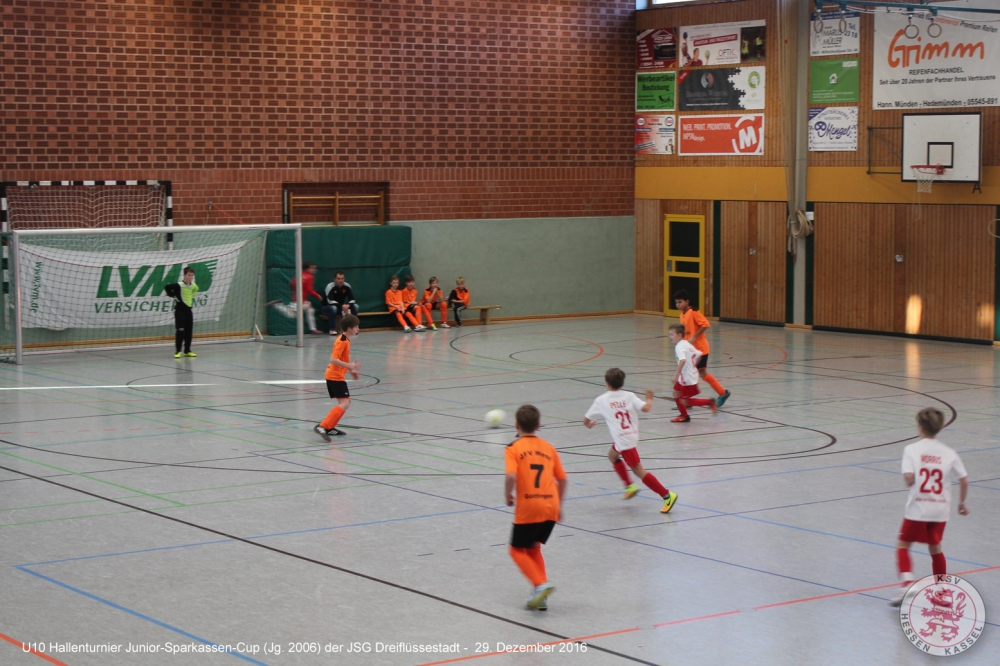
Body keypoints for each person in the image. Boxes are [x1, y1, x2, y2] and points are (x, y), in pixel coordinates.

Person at [889, 408, 970, 606]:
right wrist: (961, 503)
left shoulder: (911, 449)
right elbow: (964, 479)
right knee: (935, 548)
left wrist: (910, 480)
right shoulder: (949, 452)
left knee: (903, 545)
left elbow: (909, 477)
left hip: (919, 508)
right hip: (940, 510)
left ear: (920, 428)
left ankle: (907, 583)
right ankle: (942, 592)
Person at [584, 368, 678, 513]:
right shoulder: (629, 395)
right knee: (612, 456)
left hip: (624, 441)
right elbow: (646, 408)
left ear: (607, 384)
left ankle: (666, 495)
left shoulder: (601, 400)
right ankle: (629, 486)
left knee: (639, 471)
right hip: (630, 436)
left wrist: (590, 424)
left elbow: (586, 420)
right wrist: (649, 398)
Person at [505, 405, 567, 611]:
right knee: (533, 547)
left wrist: (507, 495)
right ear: (538, 425)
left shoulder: (513, 448)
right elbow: (563, 479)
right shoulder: (549, 447)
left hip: (529, 506)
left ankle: (541, 584)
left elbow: (511, 475)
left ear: (516, 425)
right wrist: (560, 506)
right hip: (551, 505)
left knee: (516, 550)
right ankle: (541, 595)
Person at [674, 290, 730, 407]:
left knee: (698, 374)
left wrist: (694, 336)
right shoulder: (682, 315)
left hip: (700, 350)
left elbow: (705, 324)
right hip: (691, 351)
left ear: (687, 302)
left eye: (680, 302)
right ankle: (687, 399)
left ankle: (722, 393)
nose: (678, 304)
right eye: (677, 302)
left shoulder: (694, 312)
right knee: (691, 374)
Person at [314, 314, 361, 441]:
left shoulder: (345, 339)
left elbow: (342, 359)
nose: (358, 329)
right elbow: (333, 359)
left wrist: (351, 370)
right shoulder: (342, 341)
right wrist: (350, 365)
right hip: (334, 376)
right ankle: (323, 426)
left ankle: (329, 428)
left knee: (346, 402)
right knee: (345, 403)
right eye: (356, 327)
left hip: (335, 376)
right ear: (349, 328)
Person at [669, 323, 717, 422]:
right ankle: (684, 415)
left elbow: (682, 360)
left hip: (686, 378)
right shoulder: (687, 343)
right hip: (689, 375)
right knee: (676, 393)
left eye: (672, 334)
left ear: (679, 335)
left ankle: (709, 402)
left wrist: (676, 375)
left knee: (685, 401)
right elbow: (699, 355)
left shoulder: (679, 347)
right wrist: (692, 367)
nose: (670, 337)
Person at [271, 262, 323, 334]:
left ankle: (313, 329)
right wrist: (317, 295)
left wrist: (297, 291)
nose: (314, 270)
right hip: (300, 300)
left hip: (298, 298)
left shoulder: (299, 275)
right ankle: (277, 304)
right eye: (312, 268)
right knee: (291, 314)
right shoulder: (310, 277)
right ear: (307, 269)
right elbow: (309, 289)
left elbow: (291, 283)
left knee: (310, 310)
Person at [164, 266, 198, 359]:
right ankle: (178, 351)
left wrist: (191, 296)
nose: (190, 277)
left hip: (188, 311)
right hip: (179, 311)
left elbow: (195, 289)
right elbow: (167, 287)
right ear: (184, 275)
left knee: (189, 331)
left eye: (192, 275)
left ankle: (187, 351)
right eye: (189, 275)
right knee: (180, 331)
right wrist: (172, 295)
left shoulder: (193, 285)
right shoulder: (179, 285)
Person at [323, 271, 358, 335]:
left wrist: (348, 305)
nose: (341, 280)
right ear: (335, 279)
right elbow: (330, 301)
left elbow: (352, 299)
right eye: (338, 279)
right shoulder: (330, 286)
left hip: (340, 307)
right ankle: (332, 329)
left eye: (342, 278)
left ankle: (354, 327)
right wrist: (342, 306)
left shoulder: (347, 286)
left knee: (355, 306)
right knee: (333, 308)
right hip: (327, 307)